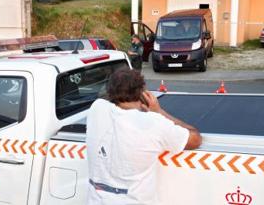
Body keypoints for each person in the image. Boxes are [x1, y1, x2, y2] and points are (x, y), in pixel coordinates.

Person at [86, 69, 202, 205]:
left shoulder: (96, 109)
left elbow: (111, 104)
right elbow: (195, 139)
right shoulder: (154, 123)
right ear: (143, 93)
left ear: (110, 92)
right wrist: (159, 111)